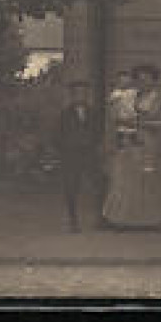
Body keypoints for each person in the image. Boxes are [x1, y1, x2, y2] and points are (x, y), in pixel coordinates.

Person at [101, 63, 161, 230]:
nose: (143, 83)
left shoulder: (160, 99)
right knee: (126, 180)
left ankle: (152, 220)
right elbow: (117, 116)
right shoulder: (129, 96)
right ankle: (123, 220)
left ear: (154, 81)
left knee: (148, 180)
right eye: (139, 80)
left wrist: (146, 123)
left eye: (147, 79)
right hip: (129, 141)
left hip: (149, 142)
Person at [57, 79, 100, 233]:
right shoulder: (64, 114)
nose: (80, 96)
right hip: (71, 155)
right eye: (77, 93)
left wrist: (94, 146)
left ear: (87, 95)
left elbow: (98, 132)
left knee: (98, 185)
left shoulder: (93, 112)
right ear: (72, 95)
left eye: (83, 93)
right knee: (72, 187)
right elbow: (58, 136)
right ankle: (73, 220)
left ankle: (100, 219)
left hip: (89, 154)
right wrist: (65, 151)